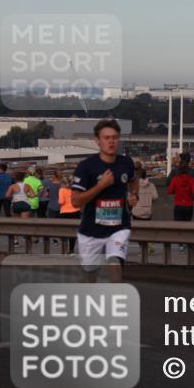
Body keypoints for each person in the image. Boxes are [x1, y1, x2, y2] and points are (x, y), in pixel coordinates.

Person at [71, 120, 138, 281]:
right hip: (91, 231)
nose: (111, 141)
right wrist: (100, 186)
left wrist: (134, 195)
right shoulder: (86, 167)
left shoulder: (126, 162)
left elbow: (133, 181)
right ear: (98, 140)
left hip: (119, 227)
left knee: (114, 263)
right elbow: (76, 201)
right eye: (106, 137)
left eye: (114, 137)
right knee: (89, 277)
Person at [59, 173, 80, 253]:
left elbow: (61, 202)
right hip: (75, 211)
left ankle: (64, 249)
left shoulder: (62, 190)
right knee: (73, 232)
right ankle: (71, 250)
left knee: (65, 231)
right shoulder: (75, 190)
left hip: (65, 212)